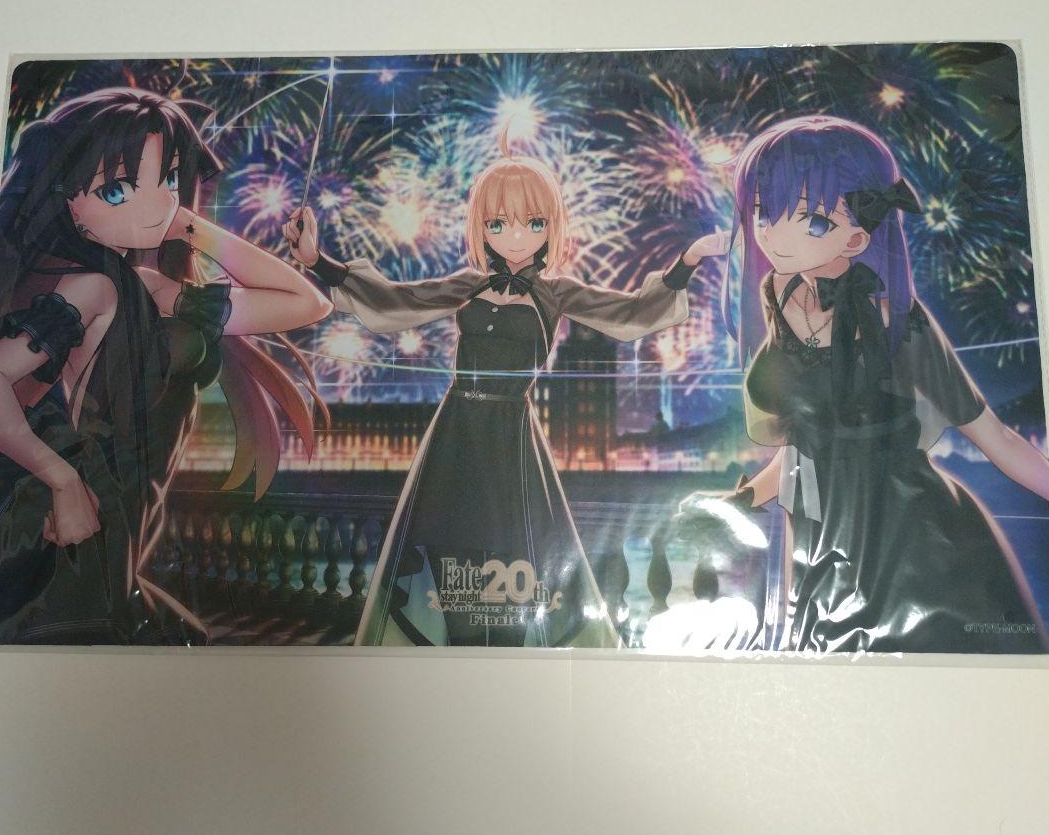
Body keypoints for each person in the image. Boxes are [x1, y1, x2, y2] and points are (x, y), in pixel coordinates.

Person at [285, 126, 727, 646]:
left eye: (532, 222)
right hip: (454, 431)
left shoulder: (557, 292)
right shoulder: (467, 285)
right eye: (498, 223)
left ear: (550, 227)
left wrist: (687, 262)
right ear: (482, 228)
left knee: (518, 554)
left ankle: (510, 654)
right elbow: (394, 301)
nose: (515, 236)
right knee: (446, 548)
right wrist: (317, 261)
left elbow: (631, 313)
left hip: (512, 434)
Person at [0, 87, 331, 643]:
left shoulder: (148, 287)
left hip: (128, 518)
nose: (154, 205)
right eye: (116, 190)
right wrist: (62, 481)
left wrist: (182, 220)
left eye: (169, 179)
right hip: (82, 521)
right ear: (66, 201)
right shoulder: (88, 287)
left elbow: (305, 303)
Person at [683, 114, 1049, 653]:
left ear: (857, 236)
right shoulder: (779, 297)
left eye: (812, 222)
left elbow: (995, 437)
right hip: (824, 554)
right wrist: (739, 503)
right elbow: (806, 444)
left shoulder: (899, 322)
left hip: (920, 555)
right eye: (764, 211)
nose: (774, 234)